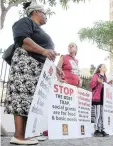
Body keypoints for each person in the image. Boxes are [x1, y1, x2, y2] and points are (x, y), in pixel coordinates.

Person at [4, 1, 61, 145]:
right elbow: (23, 40)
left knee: (31, 101)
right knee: (21, 97)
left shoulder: (40, 29)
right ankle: (18, 136)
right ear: (35, 12)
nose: (46, 16)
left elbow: (46, 54)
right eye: (44, 13)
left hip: (38, 67)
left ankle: (26, 134)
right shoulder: (25, 22)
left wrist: (55, 68)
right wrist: (43, 50)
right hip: (26, 63)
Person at [90, 64, 112, 137]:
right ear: (99, 68)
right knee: (97, 114)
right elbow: (94, 83)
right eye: (103, 66)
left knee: (102, 115)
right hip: (97, 97)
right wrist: (99, 78)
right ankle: (96, 130)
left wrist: (110, 82)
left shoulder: (105, 77)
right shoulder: (96, 75)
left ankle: (101, 129)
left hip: (103, 98)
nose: (105, 67)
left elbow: (104, 85)